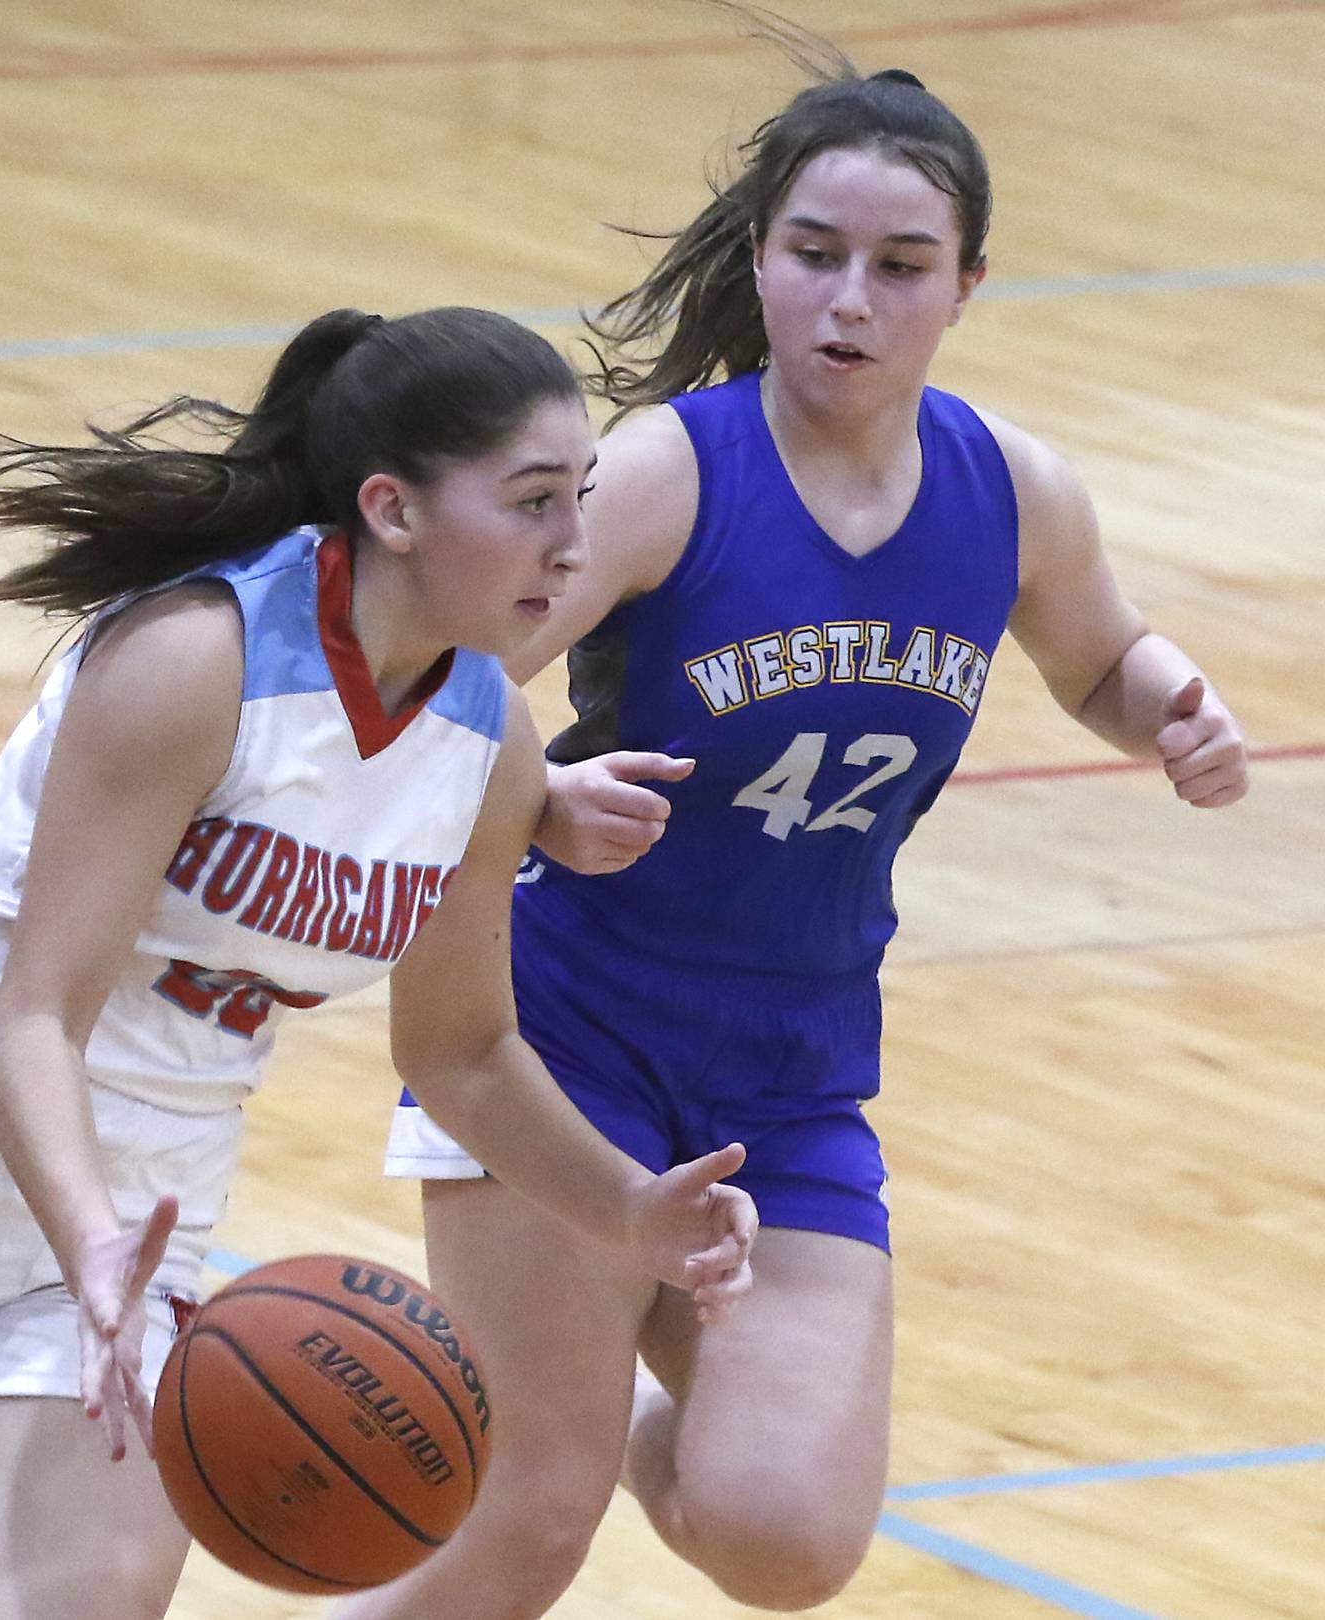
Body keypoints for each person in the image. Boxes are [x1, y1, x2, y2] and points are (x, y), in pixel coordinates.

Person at [373, 11, 1251, 1620]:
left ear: (968, 283)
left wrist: (1171, 704)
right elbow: (434, 674)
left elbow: (1100, 652)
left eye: (903, 265)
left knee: (785, 1540)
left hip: (793, 1068)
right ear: (760, 259)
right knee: (528, 1527)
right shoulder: (664, 473)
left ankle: (579, 1390)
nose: (852, 300)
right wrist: (544, 794)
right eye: (815, 252)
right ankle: (550, 1409)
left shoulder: (1017, 490)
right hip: (565, 1035)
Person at [0, 304, 759, 1620]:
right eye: (531, 503)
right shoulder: (197, 662)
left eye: (578, 500)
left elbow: (461, 1055)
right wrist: (88, 1237)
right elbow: (36, 1021)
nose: (575, 545)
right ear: (394, 511)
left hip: (148, 1205)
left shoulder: (489, 739)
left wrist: (628, 1212)